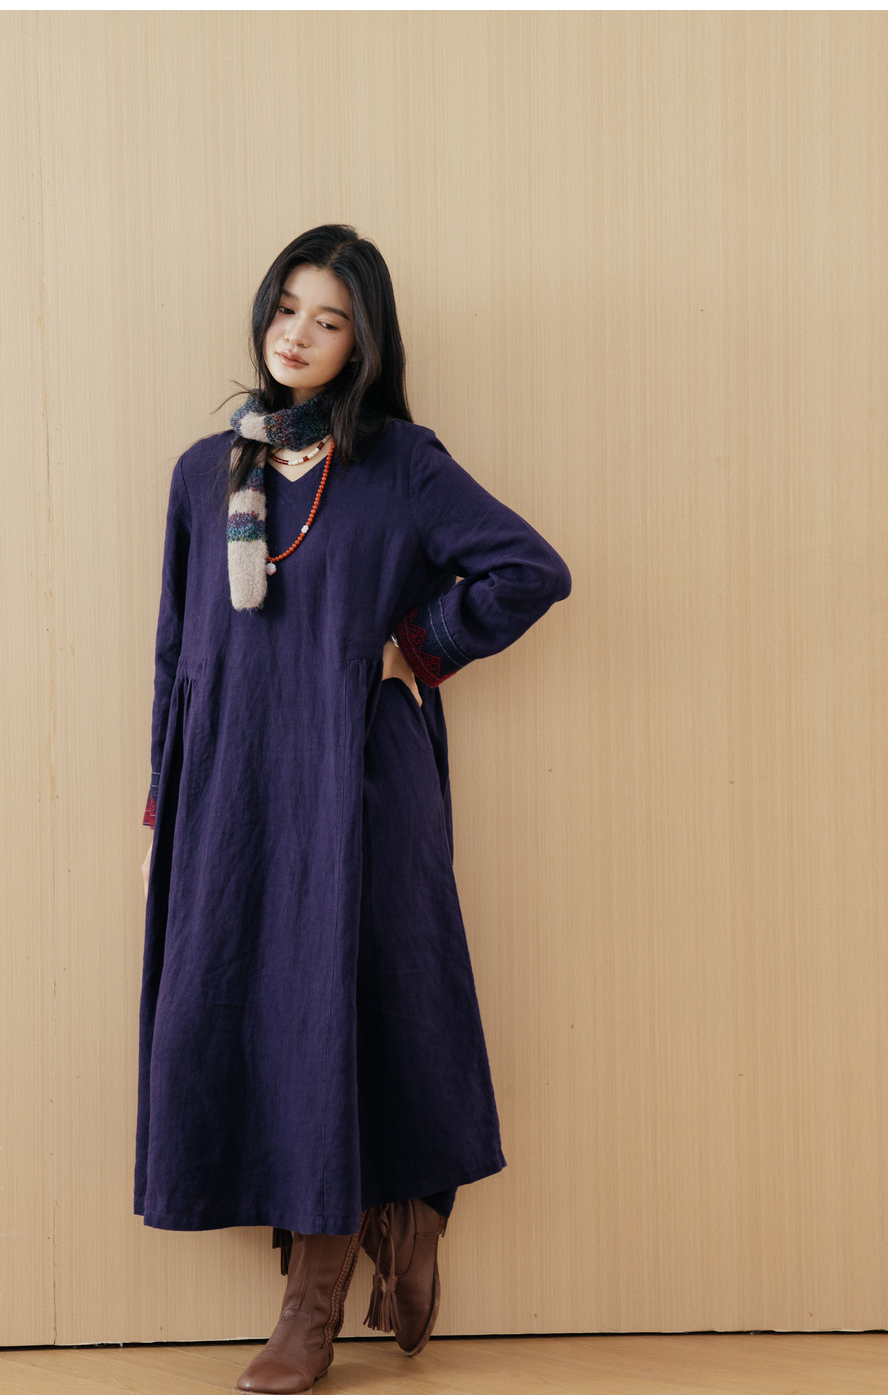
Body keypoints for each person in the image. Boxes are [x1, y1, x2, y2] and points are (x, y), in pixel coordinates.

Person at [135, 224, 571, 1394]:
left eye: (328, 320)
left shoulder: (401, 464)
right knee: (253, 1016)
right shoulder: (204, 473)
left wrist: (414, 645)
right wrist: (167, 796)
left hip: (359, 781)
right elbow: (178, 649)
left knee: (343, 1011)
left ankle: (312, 1306)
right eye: (288, 308)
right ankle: (404, 1215)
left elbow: (530, 570)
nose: (298, 335)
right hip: (233, 793)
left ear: (363, 344)